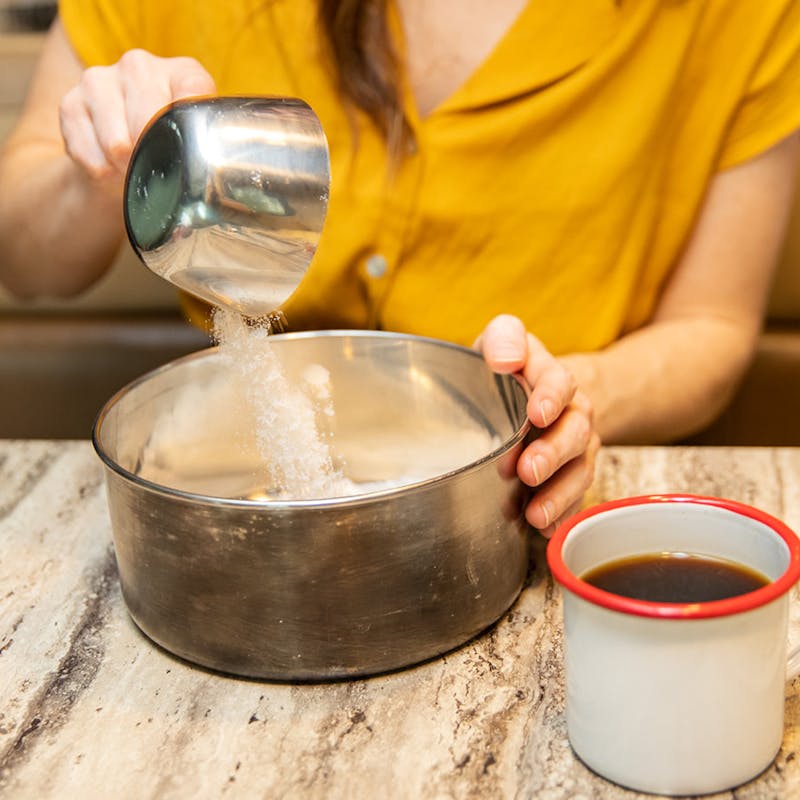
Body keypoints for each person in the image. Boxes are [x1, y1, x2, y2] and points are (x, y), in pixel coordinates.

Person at [1, 0, 799, 537]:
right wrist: (96, 170)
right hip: (226, 487)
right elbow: (23, 258)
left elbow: (713, 327)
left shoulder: (739, 18)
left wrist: (574, 397)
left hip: (515, 518)